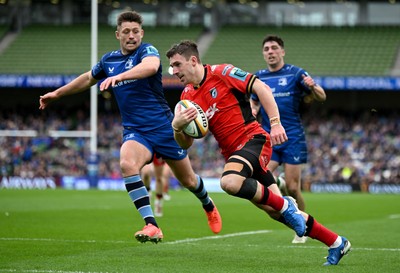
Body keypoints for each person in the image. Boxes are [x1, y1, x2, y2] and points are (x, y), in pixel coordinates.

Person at [39, 11, 222, 244]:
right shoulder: (109, 60)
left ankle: (208, 203)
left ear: (141, 33)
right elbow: (87, 79)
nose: (131, 35)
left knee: (188, 181)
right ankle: (151, 224)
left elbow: (150, 66)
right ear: (118, 34)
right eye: (126, 31)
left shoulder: (148, 52)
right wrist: (57, 93)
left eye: (136, 31)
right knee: (127, 163)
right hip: (137, 131)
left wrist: (120, 77)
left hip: (166, 128)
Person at [166, 40, 350, 266]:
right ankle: (336, 242)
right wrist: (177, 127)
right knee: (275, 212)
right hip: (236, 153)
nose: (174, 71)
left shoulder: (222, 72)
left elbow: (261, 87)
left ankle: (286, 205)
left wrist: (275, 123)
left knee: (230, 183)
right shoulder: (187, 98)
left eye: (177, 65)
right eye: (172, 67)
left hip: (254, 140)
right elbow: (186, 144)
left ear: (193, 60)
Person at [250, 35, 327, 244]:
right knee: (261, 178)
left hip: (292, 136)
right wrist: (252, 109)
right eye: (266, 49)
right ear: (263, 53)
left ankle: (301, 227)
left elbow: (322, 96)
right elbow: (254, 103)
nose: (270, 52)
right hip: (269, 139)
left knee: (294, 188)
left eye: (274, 48)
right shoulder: (259, 77)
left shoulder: (296, 73)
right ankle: (280, 185)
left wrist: (313, 87)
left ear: (282, 52)